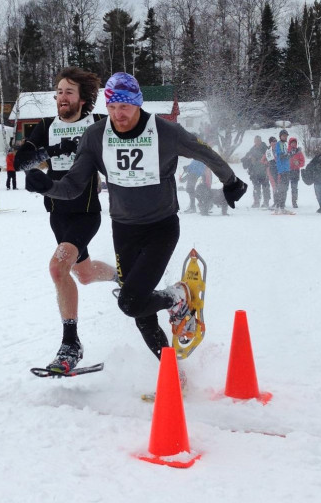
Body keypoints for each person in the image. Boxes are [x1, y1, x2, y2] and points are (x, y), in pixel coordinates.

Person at [25, 71, 247, 375]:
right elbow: (75, 185)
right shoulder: (96, 136)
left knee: (130, 302)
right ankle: (174, 375)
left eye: (125, 108)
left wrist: (230, 180)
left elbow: (203, 152)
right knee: (140, 311)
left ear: (139, 104)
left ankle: (177, 296)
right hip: (124, 230)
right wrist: (47, 186)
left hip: (161, 227)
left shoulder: (164, 132)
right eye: (113, 108)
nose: (119, 115)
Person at [14, 66, 117, 374]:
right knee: (82, 274)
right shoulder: (46, 126)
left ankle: (70, 344)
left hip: (86, 213)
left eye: (68, 92)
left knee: (58, 267)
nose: (61, 97)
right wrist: (55, 149)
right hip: (57, 215)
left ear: (83, 99)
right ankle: (120, 277)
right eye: (58, 92)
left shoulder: (98, 123)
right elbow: (21, 162)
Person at [242, 135, 270, 208]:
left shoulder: (265, 148)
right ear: (254, 141)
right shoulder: (252, 149)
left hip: (264, 172)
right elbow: (246, 157)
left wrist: (257, 159)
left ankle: (266, 202)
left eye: (258, 140)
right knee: (256, 188)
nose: (257, 142)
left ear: (261, 141)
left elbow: (269, 158)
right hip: (255, 172)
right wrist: (247, 159)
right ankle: (256, 202)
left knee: (265, 187)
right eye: (256, 141)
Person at [273, 129, 293, 214]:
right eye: (283, 135)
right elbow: (279, 156)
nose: (285, 137)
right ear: (280, 136)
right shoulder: (278, 144)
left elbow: (287, 156)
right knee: (281, 188)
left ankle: (282, 206)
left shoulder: (285, 144)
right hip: (282, 171)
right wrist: (288, 154)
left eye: (286, 136)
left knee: (285, 189)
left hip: (287, 169)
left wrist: (292, 153)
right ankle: (278, 206)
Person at [287, 136, 305, 208]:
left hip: (295, 171)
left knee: (294, 188)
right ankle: (282, 202)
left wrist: (298, 163)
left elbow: (303, 162)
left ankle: (294, 202)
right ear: (290, 143)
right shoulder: (286, 151)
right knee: (285, 187)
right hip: (287, 171)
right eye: (292, 143)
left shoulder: (299, 152)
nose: (294, 144)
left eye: (295, 143)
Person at [262, 136, 278, 208]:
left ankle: (280, 201)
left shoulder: (280, 149)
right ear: (270, 143)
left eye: (275, 141)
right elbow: (262, 160)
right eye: (272, 142)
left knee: (280, 186)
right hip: (271, 170)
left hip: (279, 170)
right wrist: (267, 162)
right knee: (274, 186)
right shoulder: (268, 151)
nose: (274, 143)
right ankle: (275, 202)